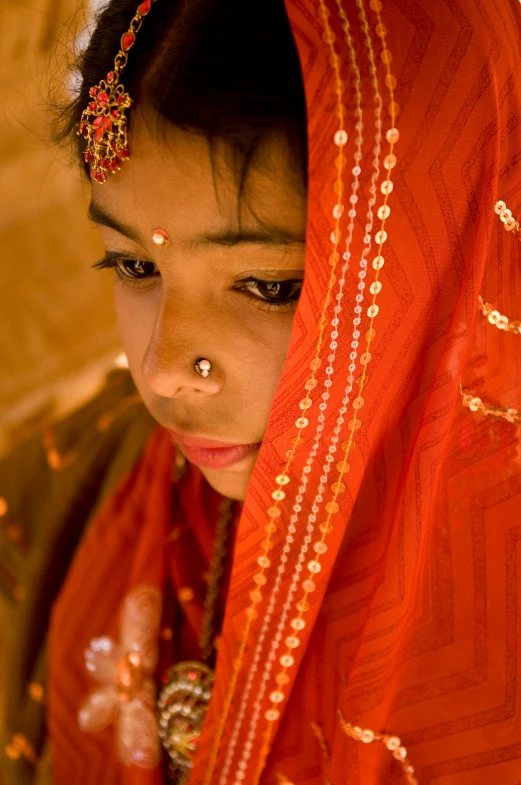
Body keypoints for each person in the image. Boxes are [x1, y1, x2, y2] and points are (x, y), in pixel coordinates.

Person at [1, 0, 521, 783]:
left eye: (268, 285)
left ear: (447, 260)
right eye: (133, 265)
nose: (166, 366)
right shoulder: (72, 491)